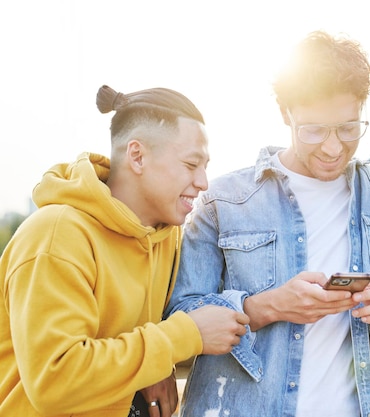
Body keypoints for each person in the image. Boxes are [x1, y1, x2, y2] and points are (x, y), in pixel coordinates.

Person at [165, 30, 370, 417]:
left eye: (349, 128)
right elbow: (181, 314)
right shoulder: (224, 198)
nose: (333, 147)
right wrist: (267, 307)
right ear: (285, 113)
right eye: (314, 130)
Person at [0, 85, 250, 417]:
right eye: (191, 164)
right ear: (137, 156)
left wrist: (157, 368)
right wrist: (182, 337)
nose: (204, 181)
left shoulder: (167, 237)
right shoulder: (54, 237)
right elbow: (55, 381)